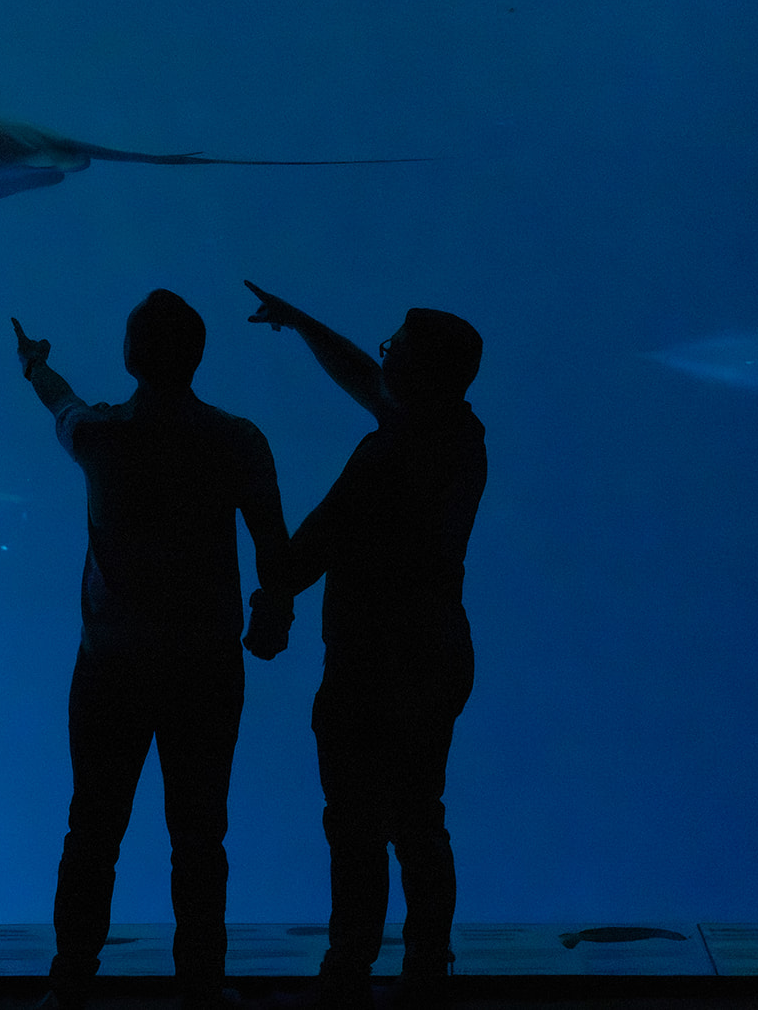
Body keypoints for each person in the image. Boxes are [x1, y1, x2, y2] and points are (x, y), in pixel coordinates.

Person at [12, 290, 292, 1010]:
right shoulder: (237, 440)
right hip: (205, 668)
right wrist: (274, 611)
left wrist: (34, 364)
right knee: (200, 835)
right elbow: (273, 545)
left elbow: (62, 403)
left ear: (130, 355)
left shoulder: (101, 438)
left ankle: (72, 979)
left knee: (92, 827)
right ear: (197, 357)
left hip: (111, 668)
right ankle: (200, 984)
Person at [244, 280, 486, 1009]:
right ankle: (425, 969)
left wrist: (270, 585)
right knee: (418, 817)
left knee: (355, 824)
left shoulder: (389, 455)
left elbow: (307, 548)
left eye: (396, 350)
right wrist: (302, 322)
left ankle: (348, 970)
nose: (383, 357)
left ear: (420, 371)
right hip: (436, 656)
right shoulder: (458, 434)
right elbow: (364, 376)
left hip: (371, 668)